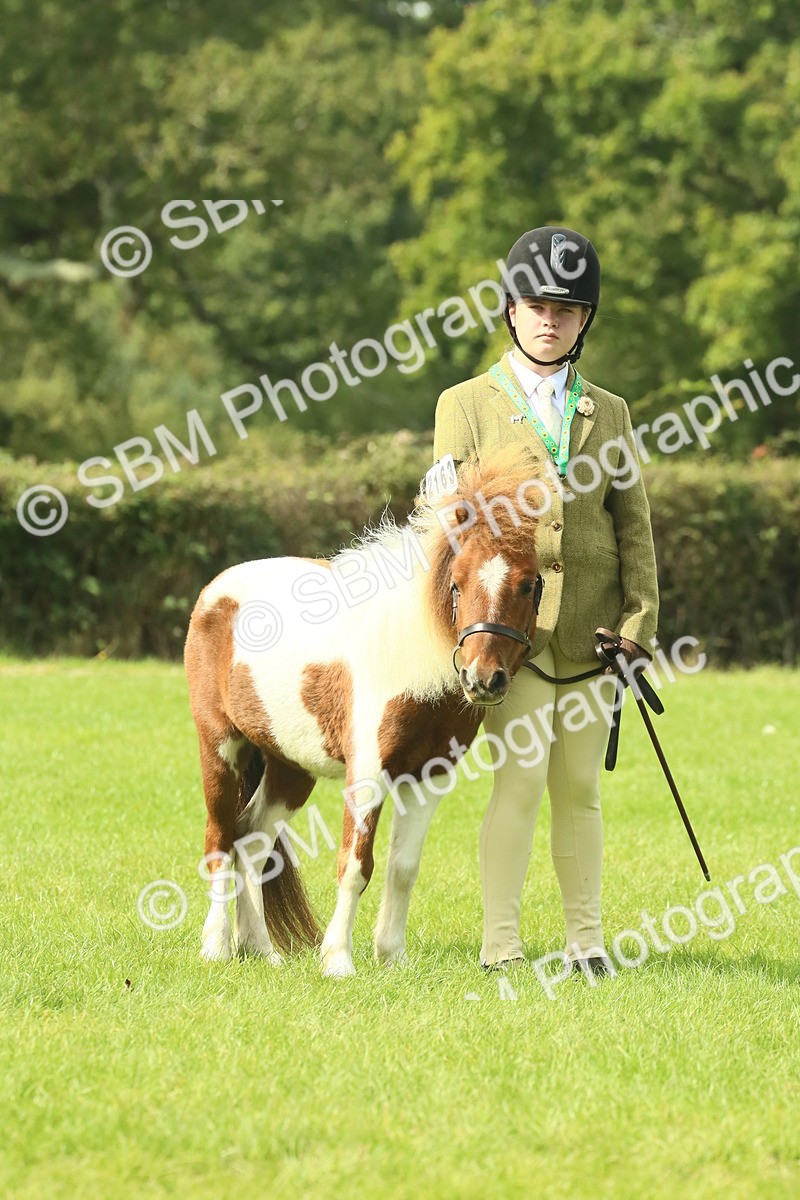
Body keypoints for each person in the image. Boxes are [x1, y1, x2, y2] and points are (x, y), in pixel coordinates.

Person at [432, 226, 659, 974]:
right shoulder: (464, 405)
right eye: (535, 305)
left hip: (593, 640)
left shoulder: (613, 413)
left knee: (580, 789)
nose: (549, 319)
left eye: (566, 309)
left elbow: (635, 532)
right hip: (513, 636)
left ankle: (586, 943)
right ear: (510, 310)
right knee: (520, 782)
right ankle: (501, 945)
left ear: (585, 320)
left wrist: (637, 627)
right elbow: (450, 527)